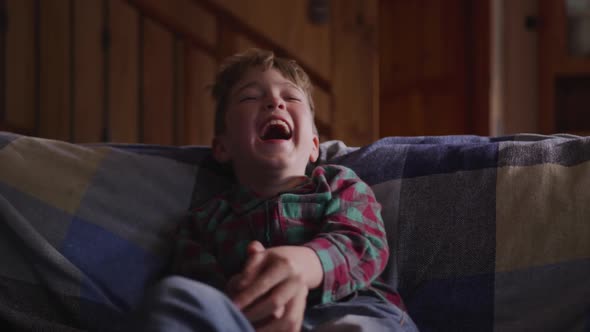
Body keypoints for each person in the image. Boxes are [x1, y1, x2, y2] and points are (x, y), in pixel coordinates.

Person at [136, 49, 418, 332]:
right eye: (250, 97)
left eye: (291, 97)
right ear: (222, 147)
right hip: (248, 322)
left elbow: (364, 244)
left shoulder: (338, 184)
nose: (274, 102)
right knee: (173, 296)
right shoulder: (202, 222)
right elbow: (197, 283)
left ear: (314, 146)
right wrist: (239, 292)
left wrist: (304, 264)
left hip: (351, 310)